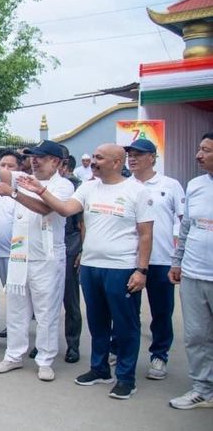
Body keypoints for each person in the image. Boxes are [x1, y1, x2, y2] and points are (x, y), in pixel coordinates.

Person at [19, 144, 153, 400]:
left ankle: (125, 378)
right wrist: (41, 190)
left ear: (116, 162)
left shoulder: (137, 191)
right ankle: (99, 368)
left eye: (99, 157)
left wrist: (141, 270)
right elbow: (66, 209)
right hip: (91, 266)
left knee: (125, 326)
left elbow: (146, 234)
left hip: (122, 268)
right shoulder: (88, 187)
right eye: (93, 157)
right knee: (97, 322)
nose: (93, 161)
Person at [0, 133, 74, 381]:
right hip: (20, 255)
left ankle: (45, 359)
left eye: (41, 158)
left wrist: (13, 194)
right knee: (16, 309)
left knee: (46, 312)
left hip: (46, 258)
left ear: (56, 162)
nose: (34, 162)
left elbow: (47, 209)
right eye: (32, 158)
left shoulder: (63, 185)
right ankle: (14, 355)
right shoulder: (24, 178)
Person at [126, 138, 184, 381]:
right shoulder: (123, 185)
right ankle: (120, 350)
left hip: (160, 260)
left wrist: (177, 259)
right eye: (130, 153)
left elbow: (183, 223)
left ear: (152, 157)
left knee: (161, 312)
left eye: (138, 154)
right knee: (127, 311)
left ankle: (159, 355)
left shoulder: (169, 185)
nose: (133, 158)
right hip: (129, 259)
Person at [167, 132, 213, 410]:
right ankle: (202, 389)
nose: (198, 155)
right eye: (199, 149)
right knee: (196, 335)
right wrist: (177, 261)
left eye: (206, 150)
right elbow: (186, 228)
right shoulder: (195, 185)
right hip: (194, 273)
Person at [0, 150, 21, 338]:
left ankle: (16, 332)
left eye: (11, 166)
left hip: (13, 255)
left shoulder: (21, 193)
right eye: (2, 165)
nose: (6, 169)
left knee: (15, 299)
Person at [60, 153, 84, 364]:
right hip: (44, 247)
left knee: (71, 300)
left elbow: (82, 223)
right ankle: (43, 344)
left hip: (69, 246)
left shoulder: (76, 187)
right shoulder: (35, 182)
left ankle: (72, 344)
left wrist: (80, 250)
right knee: (43, 301)